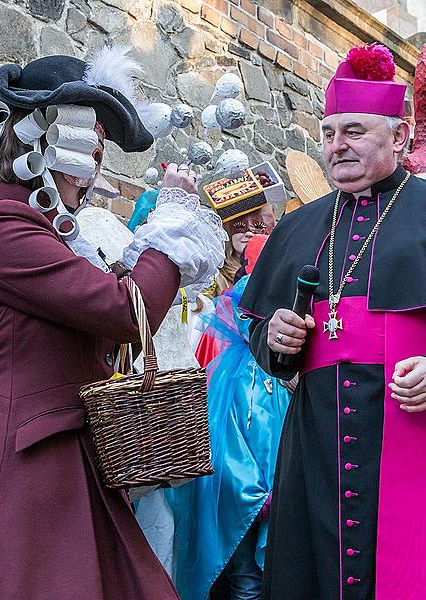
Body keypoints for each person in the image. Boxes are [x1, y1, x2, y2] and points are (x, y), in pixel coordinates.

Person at [239, 43, 426, 600]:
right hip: (316, 446)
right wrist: (274, 340)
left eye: (353, 131)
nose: (336, 145)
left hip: (416, 429)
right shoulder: (299, 227)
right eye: (328, 132)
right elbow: (263, 333)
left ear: (398, 137)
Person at [0, 49, 225, 599]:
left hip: (56, 451)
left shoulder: (41, 232)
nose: (97, 150)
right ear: (41, 142)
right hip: (23, 459)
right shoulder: (4, 228)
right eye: (87, 132)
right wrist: (169, 228)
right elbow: (126, 311)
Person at [165, 180, 287, 600]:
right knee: (245, 556)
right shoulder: (226, 307)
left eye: (260, 223)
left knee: (251, 559)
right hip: (236, 419)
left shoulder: (247, 300)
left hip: (261, 416)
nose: (253, 229)